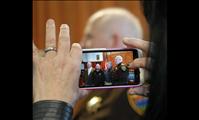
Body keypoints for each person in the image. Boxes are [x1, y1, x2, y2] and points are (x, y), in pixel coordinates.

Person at [33, 1, 167, 120]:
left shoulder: (135, 95)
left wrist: (51, 104)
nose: (82, 43)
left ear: (114, 40)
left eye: (89, 36)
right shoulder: (101, 88)